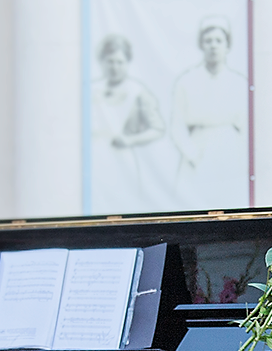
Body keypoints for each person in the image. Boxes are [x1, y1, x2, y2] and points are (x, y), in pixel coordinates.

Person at [170, 16, 248, 208]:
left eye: (219, 41)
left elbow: (247, 127)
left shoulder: (239, 83)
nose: (213, 46)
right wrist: (194, 155)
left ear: (227, 46)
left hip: (229, 153)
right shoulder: (186, 81)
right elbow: (177, 126)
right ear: (201, 45)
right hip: (197, 152)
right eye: (208, 41)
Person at [89, 34, 170, 213]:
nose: (115, 67)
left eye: (120, 62)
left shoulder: (138, 91)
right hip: (94, 163)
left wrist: (130, 140)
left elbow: (157, 128)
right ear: (102, 62)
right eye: (110, 61)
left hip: (122, 163)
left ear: (127, 62)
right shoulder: (90, 90)